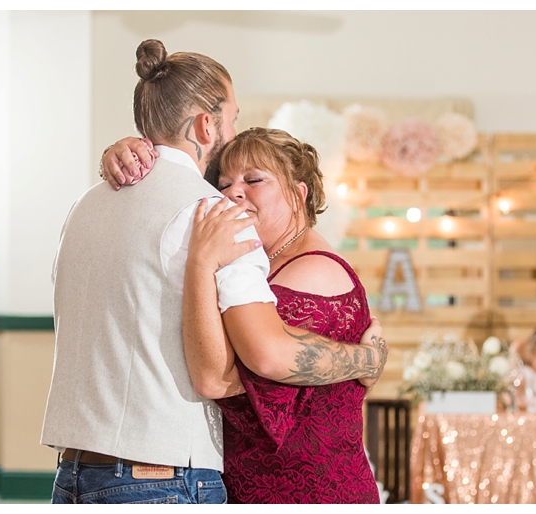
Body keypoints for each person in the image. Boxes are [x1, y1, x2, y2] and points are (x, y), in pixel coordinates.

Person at [40, 39, 387, 505]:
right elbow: (260, 359)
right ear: (207, 124)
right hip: (160, 474)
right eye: (233, 118)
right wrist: (366, 360)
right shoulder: (216, 217)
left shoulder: (85, 204)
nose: (234, 188)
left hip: (74, 471)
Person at [103, 128, 381, 503]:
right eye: (224, 183)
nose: (234, 192)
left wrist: (368, 360)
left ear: (299, 194)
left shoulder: (312, 270)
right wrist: (125, 152)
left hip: (309, 492)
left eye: (254, 180)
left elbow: (223, 378)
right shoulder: (261, 264)